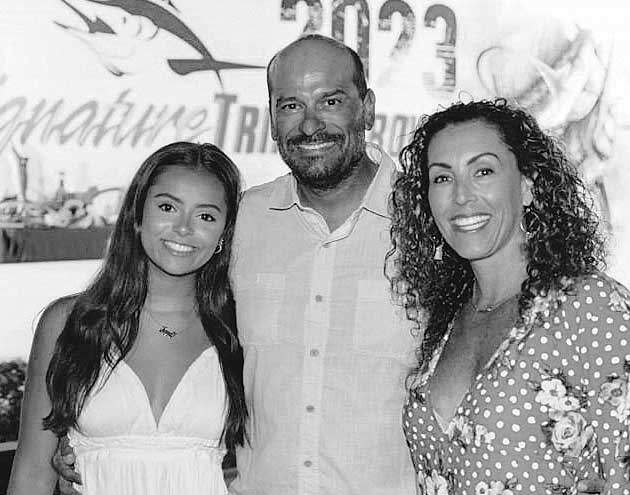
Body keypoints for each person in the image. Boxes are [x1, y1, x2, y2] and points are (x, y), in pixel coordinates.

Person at [53, 34, 418, 495]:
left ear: (366, 108)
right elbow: (167, 319)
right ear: (270, 119)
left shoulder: (429, 224)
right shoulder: (244, 221)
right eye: (290, 105)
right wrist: (90, 441)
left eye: (330, 100)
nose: (309, 125)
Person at [388, 98, 630, 494]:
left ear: (528, 186)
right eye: (442, 178)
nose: (461, 196)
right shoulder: (449, 321)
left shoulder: (593, 308)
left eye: (483, 171)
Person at [8, 141, 247, 495]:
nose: (183, 228)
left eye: (206, 216)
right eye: (168, 206)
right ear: (138, 214)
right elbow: (30, 477)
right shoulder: (67, 322)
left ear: (224, 235)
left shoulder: (241, 329)